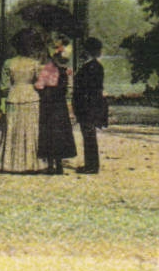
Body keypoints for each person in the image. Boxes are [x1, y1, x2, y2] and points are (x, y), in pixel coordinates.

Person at [0, 28, 43, 174]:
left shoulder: (8, 63)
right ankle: (30, 163)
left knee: (12, 130)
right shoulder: (35, 63)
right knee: (30, 130)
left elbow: (3, 86)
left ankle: (11, 164)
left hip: (13, 97)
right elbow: (40, 84)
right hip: (31, 97)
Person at [35, 36, 77, 175]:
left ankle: (51, 164)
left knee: (48, 132)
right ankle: (59, 164)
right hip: (60, 103)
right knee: (60, 132)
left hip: (48, 102)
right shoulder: (67, 71)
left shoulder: (47, 68)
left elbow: (39, 85)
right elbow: (69, 88)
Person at [73, 37, 110, 174]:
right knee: (89, 135)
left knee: (89, 135)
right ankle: (91, 164)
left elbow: (91, 89)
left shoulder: (91, 67)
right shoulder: (94, 66)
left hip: (87, 105)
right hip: (90, 105)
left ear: (88, 51)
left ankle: (92, 165)